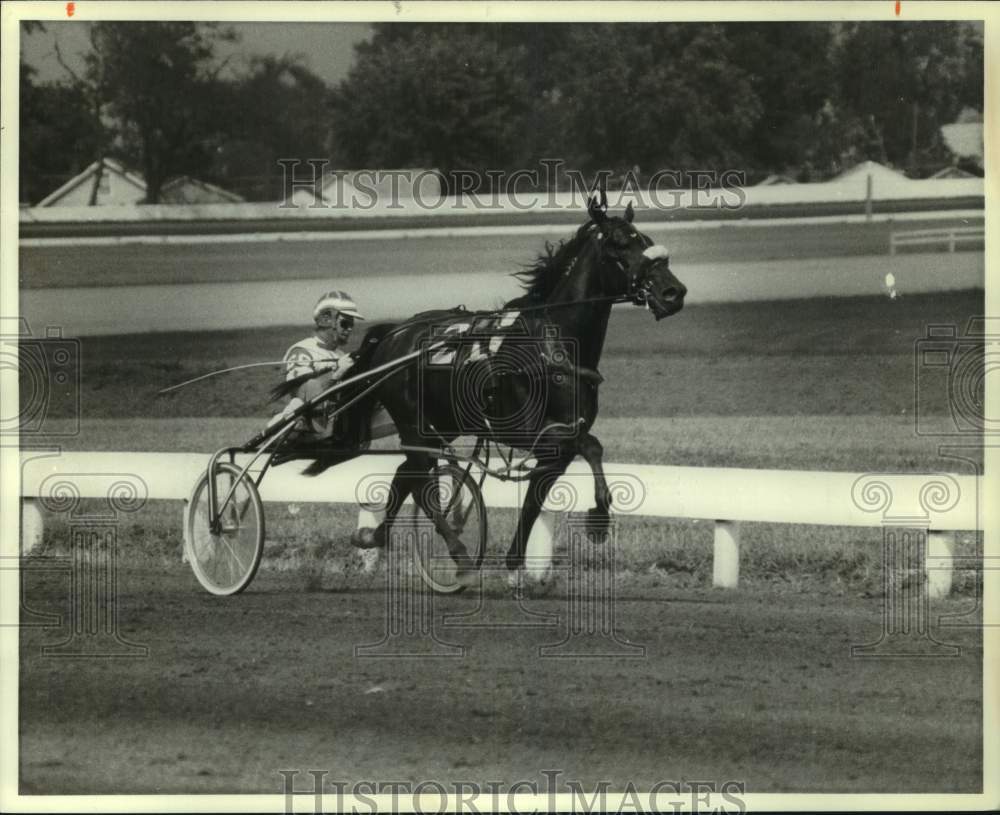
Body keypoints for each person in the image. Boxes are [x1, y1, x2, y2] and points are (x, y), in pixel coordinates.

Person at [268, 289, 365, 440]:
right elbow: (302, 392)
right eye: (345, 323)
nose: (350, 328)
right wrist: (335, 374)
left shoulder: (340, 355)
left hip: (334, 425)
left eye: (352, 324)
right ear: (326, 320)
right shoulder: (302, 351)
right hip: (299, 431)